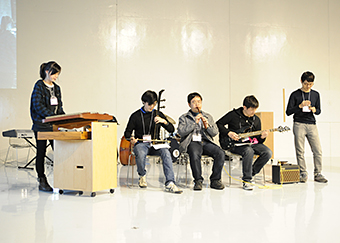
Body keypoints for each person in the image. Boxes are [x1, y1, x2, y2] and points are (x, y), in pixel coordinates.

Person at [124, 90, 182, 194]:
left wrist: (164, 121)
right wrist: (132, 139)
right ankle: (142, 175)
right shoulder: (135, 116)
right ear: (143, 102)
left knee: (166, 152)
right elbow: (127, 133)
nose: (152, 106)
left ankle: (170, 182)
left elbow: (171, 129)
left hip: (156, 143)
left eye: (154, 104)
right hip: (141, 143)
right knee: (140, 154)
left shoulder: (158, 114)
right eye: (150, 104)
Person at [216, 95, 272, 190]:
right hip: (234, 144)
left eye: (255, 109)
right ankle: (247, 180)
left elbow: (258, 140)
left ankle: (251, 172)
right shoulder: (233, 115)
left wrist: (262, 137)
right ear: (244, 107)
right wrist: (228, 133)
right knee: (248, 151)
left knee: (267, 152)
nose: (253, 112)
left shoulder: (256, 120)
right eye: (251, 110)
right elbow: (218, 124)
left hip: (250, 143)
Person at [177, 92, 225, 191]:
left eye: (199, 102)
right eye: (194, 102)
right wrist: (194, 123)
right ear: (189, 104)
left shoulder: (208, 116)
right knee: (194, 154)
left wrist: (207, 126)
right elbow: (181, 132)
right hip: (192, 142)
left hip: (205, 141)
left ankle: (215, 180)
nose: (197, 104)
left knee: (220, 153)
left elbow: (215, 132)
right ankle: (198, 180)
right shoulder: (184, 117)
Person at [286, 71, 327, 183]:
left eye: (310, 84)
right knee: (300, 150)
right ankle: (303, 173)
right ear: (301, 81)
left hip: (312, 124)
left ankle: (318, 173)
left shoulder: (315, 94)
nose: (308, 86)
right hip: (299, 123)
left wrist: (314, 110)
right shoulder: (295, 94)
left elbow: (319, 111)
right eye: (305, 83)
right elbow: (288, 112)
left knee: (317, 150)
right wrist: (299, 106)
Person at [30, 61, 65, 191]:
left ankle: (64, 178)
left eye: (57, 74)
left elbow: (60, 107)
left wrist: (64, 118)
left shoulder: (57, 88)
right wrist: (52, 116)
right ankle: (42, 179)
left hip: (54, 126)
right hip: (41, 126)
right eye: (54, 73)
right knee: (41, 153)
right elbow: (38, 106)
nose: (56, 76)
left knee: (61, 151)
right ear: (46, 71)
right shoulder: (39, 86)